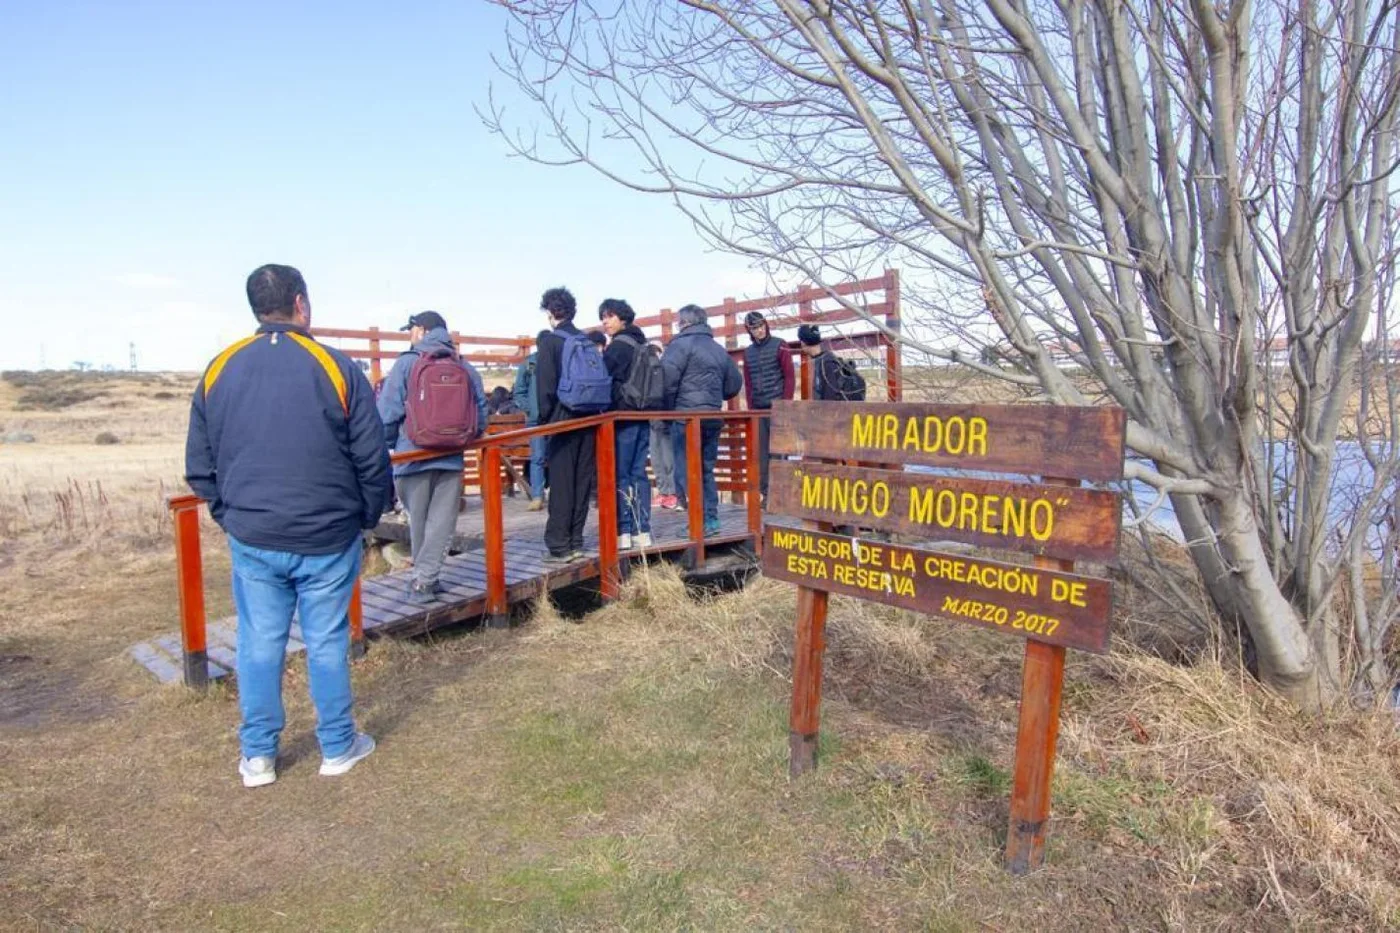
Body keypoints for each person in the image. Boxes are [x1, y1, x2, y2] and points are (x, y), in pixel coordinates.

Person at [185, 263, 391, 788]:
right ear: (302, 304)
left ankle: (257, 757)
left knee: (258, 642)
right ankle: (338, 746)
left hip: (254, 535)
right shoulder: (335, 366)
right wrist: (365, 519)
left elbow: (199, 465)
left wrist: (229, 515)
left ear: (255, 306)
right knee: (325, 640)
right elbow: (372, 459)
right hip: (327, 534)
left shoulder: (219, 367)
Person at [377, 311, 488, 603]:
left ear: (422, 330)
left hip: (411, 455)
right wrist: (462, 437)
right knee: (440, 522)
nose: (409, 335)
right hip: (451, 456)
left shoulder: (406, 363)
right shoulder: (462, 364)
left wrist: (393, 445)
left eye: (410, 330)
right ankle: (426, 577)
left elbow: (387, 412)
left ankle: (423, 580)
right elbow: (481, 414)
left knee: (419, 521)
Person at [661, 303, 743, 537]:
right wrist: (715, 396)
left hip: (686, 417)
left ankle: (697, 521)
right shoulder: (717, 349)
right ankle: (711, 520)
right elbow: (734, 384)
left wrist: (667, 413)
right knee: (706, 469)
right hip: (712, 416)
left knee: (686, 470)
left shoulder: (679, 346)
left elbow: (666, 383)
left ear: (685, 323)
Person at [535, 287, 598, 562]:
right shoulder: (584, 339)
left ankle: (559, 545)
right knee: (581, 482)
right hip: (590, 417)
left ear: (550, 312)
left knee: (561, 484)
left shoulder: (550, 341)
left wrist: (545, 421)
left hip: (562, 420)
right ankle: (576, 540)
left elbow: (545, 387)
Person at [599, 298, 652, 549]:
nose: (604, 322)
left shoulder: (618, 347)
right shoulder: (642, 343)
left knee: (621, 474)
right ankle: (644, 531)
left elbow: (602, 378)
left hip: (622, 416)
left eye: (609, 316)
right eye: (603, 317)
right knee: (639, 474)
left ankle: (623, 531)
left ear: (622, 318)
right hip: (643, 415)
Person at [741, 311, 795, 500]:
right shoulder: (747, 352)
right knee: (761, 454)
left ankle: (781, 495)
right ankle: (767, 494)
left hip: (778, 406)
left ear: (766, 325)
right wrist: (751, 409)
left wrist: (785, 405)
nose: (759, 330)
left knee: (779, 452)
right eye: (755, 328)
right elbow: (747, 383)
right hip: (759, 408)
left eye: (761, 326)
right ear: (749, 330)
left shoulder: (780, 345)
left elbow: (789, 376)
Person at [512, 348, 547, 510]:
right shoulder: (530, 363)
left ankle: (538, 496)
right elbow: (519, 391)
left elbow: (519, 391)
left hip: (542, 418)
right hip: (543, 419)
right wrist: (531, 410)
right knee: (539, 458)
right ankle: (539, 495)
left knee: (538, 458)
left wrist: (529, 409)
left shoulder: (529, 362)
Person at [798, 323, 866, 401]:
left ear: (803, 342)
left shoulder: (826, 364)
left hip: (832, 411)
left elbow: (829, 398)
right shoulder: (827, 359)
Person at [648, 343, 679, 510]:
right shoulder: (647, 372)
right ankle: (663, 491)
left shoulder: (667, 370)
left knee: (668, 457)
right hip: (652, 418)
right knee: (656, 457)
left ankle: (672, 492)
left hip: (666, 417)